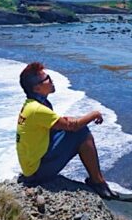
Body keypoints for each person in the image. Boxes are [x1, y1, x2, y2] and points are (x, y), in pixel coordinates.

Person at [16, 62, 118, 199]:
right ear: (37, 88)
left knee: (75, 128)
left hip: (31, 167)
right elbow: (73, 126)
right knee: (81, 132)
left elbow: (59, 123)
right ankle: (98, 182)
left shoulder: (32, 105)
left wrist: (73, 122)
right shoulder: (37, 109)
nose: (51, 81)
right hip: (37, 172)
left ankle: (97, 180)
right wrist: (94, 114)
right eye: (47, 79)